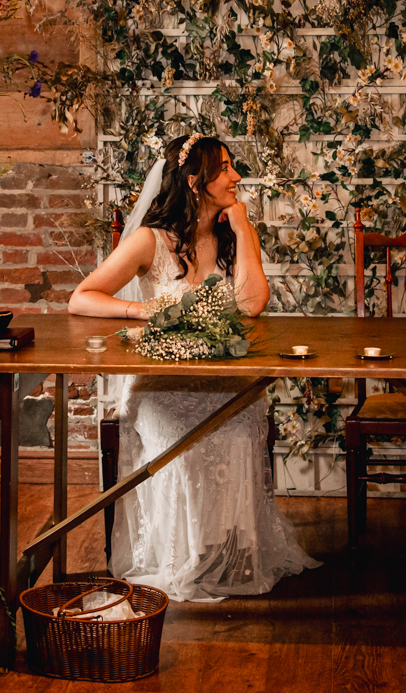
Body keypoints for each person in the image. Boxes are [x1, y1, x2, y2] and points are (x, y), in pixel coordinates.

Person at [69, 133, 321, 602]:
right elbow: (81, 297)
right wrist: (142, 312)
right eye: (224, 169)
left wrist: (244, 227)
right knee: (179, 444)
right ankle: (176, 555)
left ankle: (225, 551)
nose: (236, 177)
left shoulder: (230, 236)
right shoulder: (151, 241)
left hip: (226, 384)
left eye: (232, 167)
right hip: (162, 386)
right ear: (194, 181)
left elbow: (251, 304)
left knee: (239, 431)